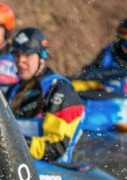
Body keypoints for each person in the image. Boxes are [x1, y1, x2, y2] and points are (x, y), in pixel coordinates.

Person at [6, 28, 85, 164]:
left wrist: (10, 143)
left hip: (52, 169)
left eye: (27, 55)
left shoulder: (60, 91)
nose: (20, 61)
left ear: (42, 58)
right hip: (20, 162)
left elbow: (55, 149)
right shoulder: (14, 90)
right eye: (17, 55)